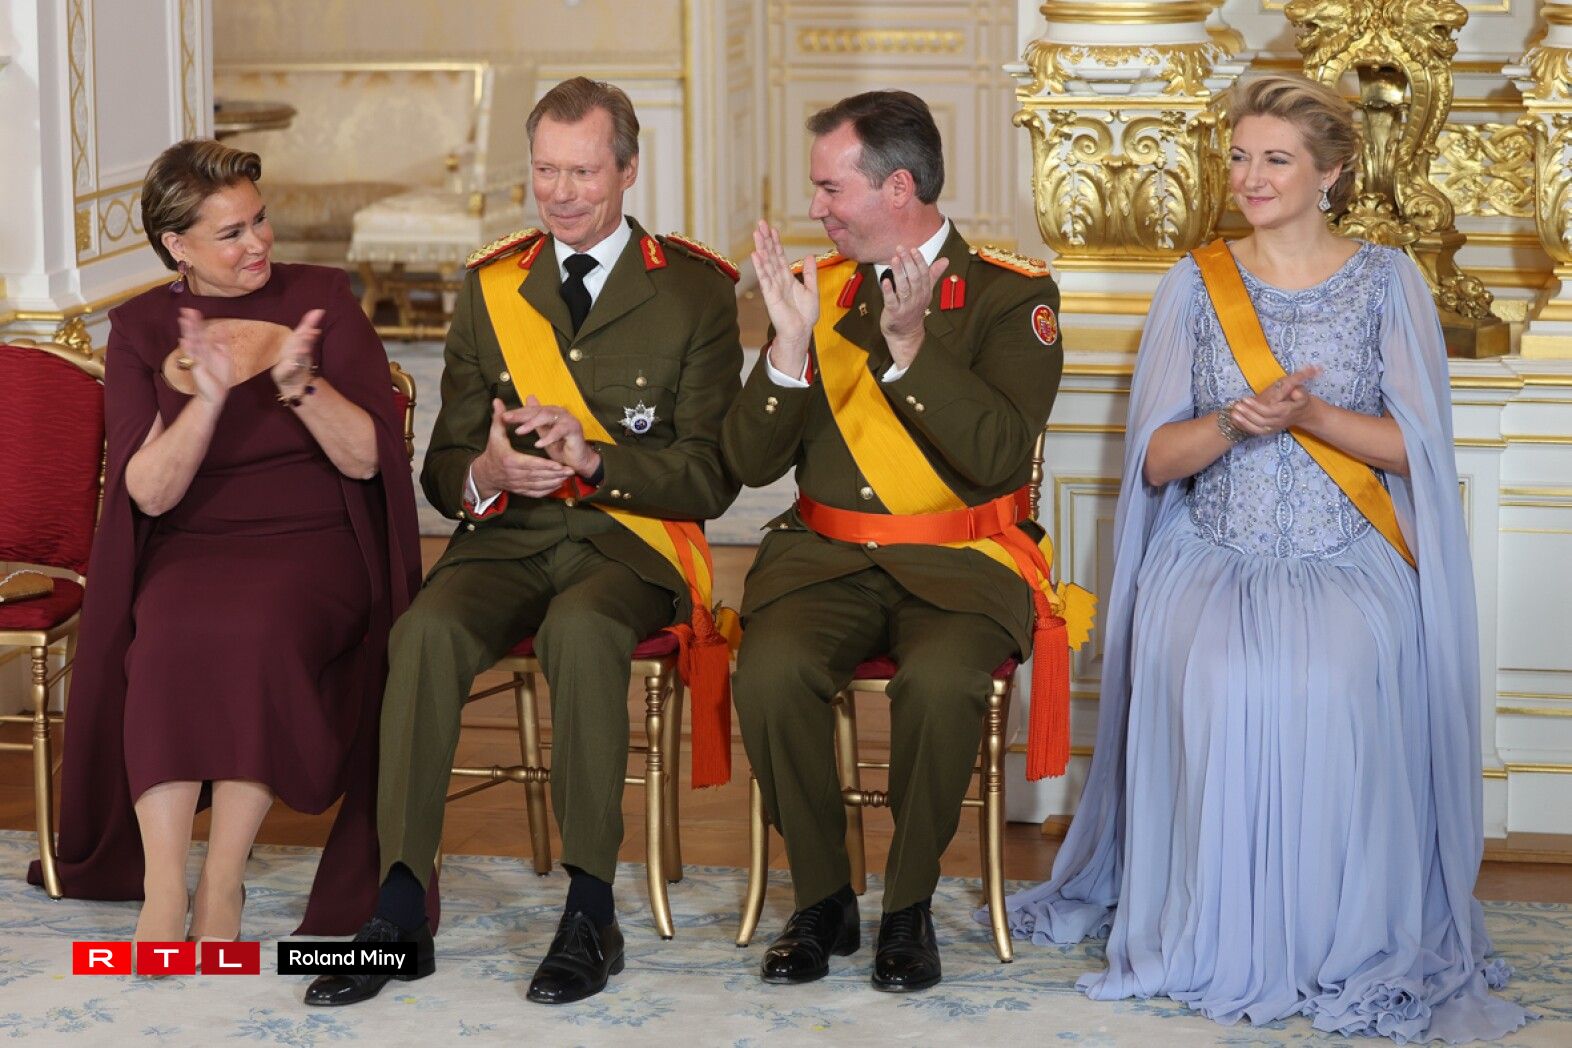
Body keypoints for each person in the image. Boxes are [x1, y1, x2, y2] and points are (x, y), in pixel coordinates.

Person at [1001, 75, 1532, 1042]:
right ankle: (1209, 933)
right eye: (1240, 156)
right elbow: (1158, 461)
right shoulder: (1192, 284)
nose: (1250, 176)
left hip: (1350, 551)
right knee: (1222, 675)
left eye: (1276, 159)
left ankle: (1339, 938)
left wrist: (1311, 414)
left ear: (1331, 173)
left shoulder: (1389, 282)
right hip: (1213, 550)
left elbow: (1414, 450)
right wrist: (1235, 423)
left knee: (1333, 678)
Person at [303, 76, 742, 1009]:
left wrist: (597, 459)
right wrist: (487, 471)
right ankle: (398, 910)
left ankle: (590, 911)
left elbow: (711, 478)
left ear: (628, 169)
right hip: (506, 542)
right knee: (423, 633)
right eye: (546, 171)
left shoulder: (695, 291)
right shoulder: (493, 285)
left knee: (582, 631)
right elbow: (442, 470)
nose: (561, 193)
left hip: (628, 544)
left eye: (583, 172)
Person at [26, 139, 424, 950]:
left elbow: (367, 459)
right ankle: (162, 886)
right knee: (166, 635)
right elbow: (148, 492)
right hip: (193, 543)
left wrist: (300, 384)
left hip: (315, 545)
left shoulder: (324, 299)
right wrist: (205, 404)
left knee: (256, 632)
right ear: (177, 246)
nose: (258, 244)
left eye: (260, 220)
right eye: (231, 233)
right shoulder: (140, 329)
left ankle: (223, 880)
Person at [724, 90, 1066, 994]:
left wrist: (912, 348)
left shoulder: (1010, 295)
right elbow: (749, 464)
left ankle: (908, 906)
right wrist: (786, 351)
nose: (816, 207)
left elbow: (998, 454)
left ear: (899, 186)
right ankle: (824, 898)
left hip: (960, 562)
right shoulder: (817, 292)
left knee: (943, 684)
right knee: (769, 672)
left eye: (831, 188)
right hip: (825, 559)